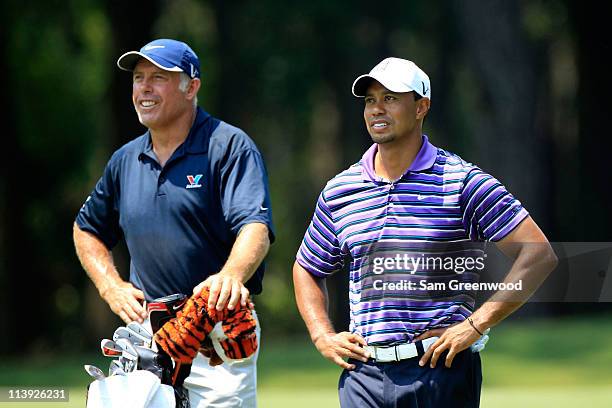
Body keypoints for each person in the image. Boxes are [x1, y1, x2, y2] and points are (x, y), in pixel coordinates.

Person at [292, 57, 557, 407]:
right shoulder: (341, 190)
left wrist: (475, 325)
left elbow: (538, 254)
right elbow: (307, 268)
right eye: (370, 100)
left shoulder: (462, 181)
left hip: (439, 370)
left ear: (421, 107)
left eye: (390, 98)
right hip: (363, 376)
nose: (376, 110)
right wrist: (322, 334)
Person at [74, 38, 274, 408]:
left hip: (217, 335)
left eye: (158, 77)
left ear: (192, 86)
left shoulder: (229, 147)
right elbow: (87, 228)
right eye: (138, 78)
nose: (144, 88)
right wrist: (110, 286)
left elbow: (255, 226)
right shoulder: (125, 160)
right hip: (147, 335)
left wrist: (229, 276)